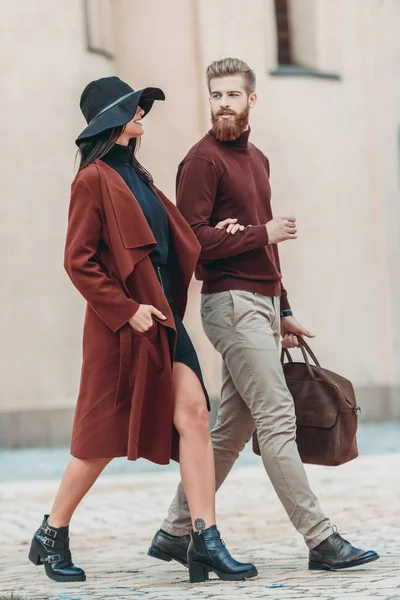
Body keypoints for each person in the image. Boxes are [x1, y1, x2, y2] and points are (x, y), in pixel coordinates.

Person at [148, 58, 379, 571]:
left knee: (230, 426)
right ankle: (321, 540)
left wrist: (285, 309)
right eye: (215, 96)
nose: (223, 103)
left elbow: (265, 249)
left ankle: (175, 530)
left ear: (253, 100)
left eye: (233, 95)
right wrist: (259, 234)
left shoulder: (258, 160)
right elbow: (189, 241)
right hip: (229, 304)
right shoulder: (201, 162)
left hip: (262, 305)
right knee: (278, 417)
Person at [27, 75, 258, 584]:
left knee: (196, 414)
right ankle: (52, 533)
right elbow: (79, 262)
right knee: (101, 439)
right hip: (122, 325)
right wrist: (125, 308)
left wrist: (221, 234)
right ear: (113, 117)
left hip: (162, 319)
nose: (142, 114)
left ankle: (205, 540)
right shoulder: (92, 180)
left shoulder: (141, 177)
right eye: (134, 107)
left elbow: (170, 244)